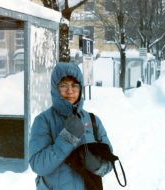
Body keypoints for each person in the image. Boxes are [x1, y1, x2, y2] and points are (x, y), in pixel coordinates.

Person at [29, 62, 113, 190]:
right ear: (55, 88)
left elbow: (109, 161)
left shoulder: (93, 120)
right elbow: (38, 165)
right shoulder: (43, 121)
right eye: (63, 86)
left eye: (75, 85)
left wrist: (98, 166)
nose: (70, 91)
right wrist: (67, 138)